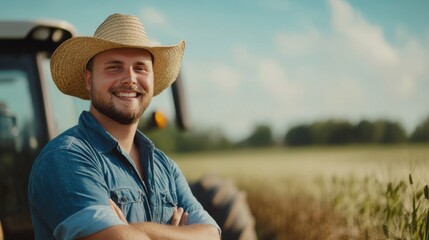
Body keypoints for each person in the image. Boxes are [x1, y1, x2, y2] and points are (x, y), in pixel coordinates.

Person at [28, 13, 221, 240]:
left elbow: (211, 234)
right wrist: (178, 234)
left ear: (151, 79)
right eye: (114, 67)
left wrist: (133, 230)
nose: (130, 79)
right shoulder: (66, 157)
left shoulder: (165, 168)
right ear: (89, 80)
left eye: (140, 68)